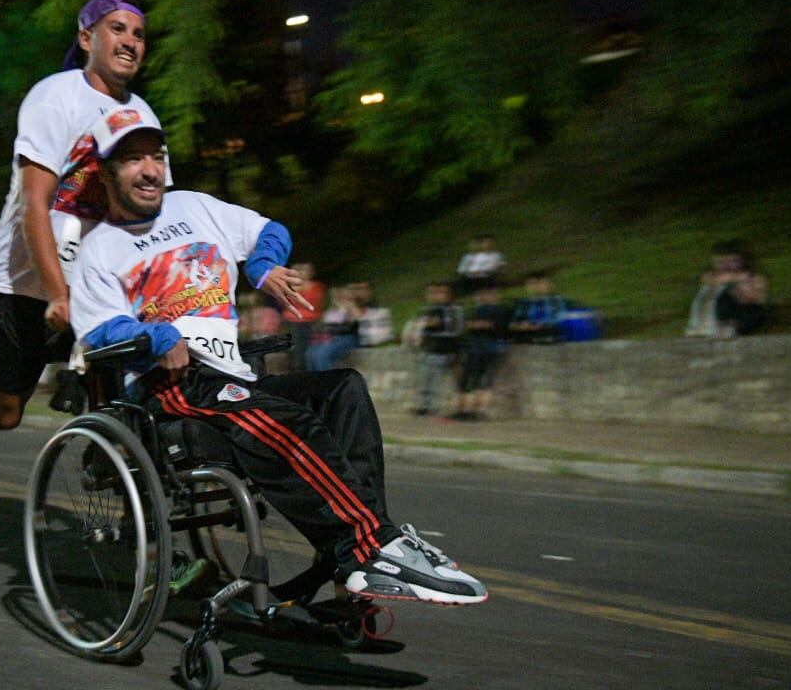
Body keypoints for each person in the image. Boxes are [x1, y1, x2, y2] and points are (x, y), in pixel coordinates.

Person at [68, 110, 487, 606]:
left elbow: (270, 230)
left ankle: (353, 556)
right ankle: (372, 545)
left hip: (233, 375)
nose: (149, 169)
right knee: (284, 419)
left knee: (343, 390)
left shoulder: (195, 206)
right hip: (172, 384)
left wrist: (264, 267)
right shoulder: (98, 250)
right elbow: (96, 330)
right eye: (132, 159)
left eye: (155, 156)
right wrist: (156, 336)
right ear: (107, 172)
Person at [0, 0, 171, 530]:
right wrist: (58, 292)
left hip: (89, 285)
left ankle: (139, 527)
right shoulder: (55, 98)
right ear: (86, 39)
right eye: (117, 29)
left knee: (124, 401)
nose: (130, 41)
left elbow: (143, 213)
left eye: (139, 34)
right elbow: (36, 203)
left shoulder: (142, 115)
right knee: (5, 413)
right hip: (21, 284)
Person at [450, 286, 511, 421]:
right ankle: (465, 410)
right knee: (471, 379)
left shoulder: (500, 309)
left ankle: (479, 411)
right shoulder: (478, 309)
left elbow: (489, 325)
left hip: (491, 347)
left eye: (489, 293)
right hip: (477, 347)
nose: (485, 297)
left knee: (483, 380)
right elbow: (470, 325)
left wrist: (477, 325)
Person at [685, 241, 769, 338]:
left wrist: (740, 289)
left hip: (746, 313)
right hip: (721, 316)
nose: (726, 266)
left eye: (734, 261)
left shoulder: (755, 277)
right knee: (714, 293)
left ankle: (725, 328)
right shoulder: (714, 276)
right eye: (719, 262)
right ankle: (705, 327)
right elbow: (710, 282)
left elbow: (755, 299)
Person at [404, 282, 463, 416]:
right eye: (433, 293)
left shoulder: (451, 310)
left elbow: (439, 325)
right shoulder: (432, 309)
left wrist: (422, 323)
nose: (436, 296)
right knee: (425, 378)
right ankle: (423, 405)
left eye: (440, 293)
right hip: (429, 349)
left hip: (442, 350)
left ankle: (431, 406)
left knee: (434, 378)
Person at [305, 286, 364, 371]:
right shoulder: (331, 309)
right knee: (310, 353)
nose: (339, 296)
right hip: (329, 338)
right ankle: (315, 380)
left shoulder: (351, 307)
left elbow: (356, 319)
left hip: (346, 337)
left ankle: (327, 380)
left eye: (343, 294)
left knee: (322, 354)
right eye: (337, 294)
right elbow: (323, 325)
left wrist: (348, 306)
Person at [282, 262, 325, 371]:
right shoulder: (289, 286)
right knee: (296, 331)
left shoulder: (317, 287)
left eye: (305, 270)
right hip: (294, 320)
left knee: (299, 332)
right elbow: (287, 304)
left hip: (308, 320)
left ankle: (298, 365)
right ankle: (298, 364)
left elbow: (312, 306)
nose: (302, 272)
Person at [509, 271, 569, 344]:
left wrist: (539, 324)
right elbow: (516, 320)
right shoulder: (524, 303)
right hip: (528, 334)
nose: (532, 287)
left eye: (535, 284)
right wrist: (519, 325)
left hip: (548, 333)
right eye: (529, 284)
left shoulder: (555, 300)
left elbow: (560, 318)